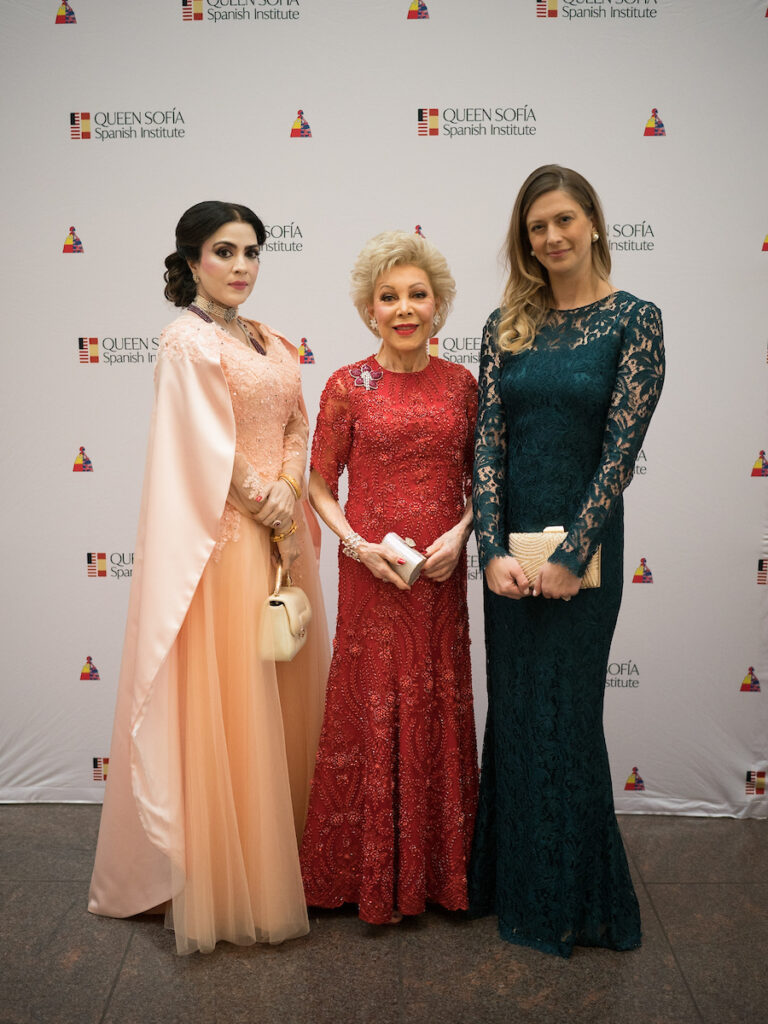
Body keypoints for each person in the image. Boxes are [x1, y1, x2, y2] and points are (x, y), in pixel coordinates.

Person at [88, 201, 329, 954]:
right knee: (236, 708)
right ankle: (234, 881)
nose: (241, 267)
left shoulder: (266, 337)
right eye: (224, 253)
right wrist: (270, 504)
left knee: (281, 696)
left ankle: (284, 857)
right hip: (225, 548)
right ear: (191, 261)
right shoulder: (185, 342)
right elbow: (206, 451)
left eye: (252, 252)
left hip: (282, 540)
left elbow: (296, 419)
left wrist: (290, 494)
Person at [469, 165, 665, 957]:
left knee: (570, 719)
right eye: (535, 228)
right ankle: (510, 883)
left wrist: (574, 552)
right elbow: (487, 439)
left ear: (592, 222)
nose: (550, 238)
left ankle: (574, 901)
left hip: (584, 557)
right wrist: (488, 549)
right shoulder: (504, 324)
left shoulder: (634, 321)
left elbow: (621, 454)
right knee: (515, 714)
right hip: (509, 557)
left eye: (562, 220)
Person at [299, 230, 478, 925]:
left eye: (417, 295)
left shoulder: (464, 385)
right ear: (369, 308)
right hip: (372, 578)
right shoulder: (347, 384)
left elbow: (482, 482)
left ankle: (440, 878)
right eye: (389, 296)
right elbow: (318, 483)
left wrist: (460, 538)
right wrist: (357, 547)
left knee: (436, 701)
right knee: (372, 703)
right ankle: (362, 877)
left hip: (439, 576)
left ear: (438, 305)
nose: (404, 308)